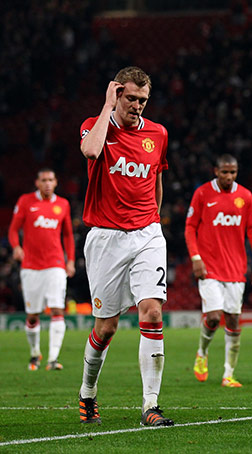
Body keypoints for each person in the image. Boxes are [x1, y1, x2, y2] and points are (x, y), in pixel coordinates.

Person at [78, 66, 173, 426]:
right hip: (106, 237)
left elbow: (156, 179)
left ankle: (150, 405)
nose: (137, 106)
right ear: (117, 94)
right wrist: (106, 107)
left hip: (147, 232)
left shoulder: (158, 133)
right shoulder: (94, 124)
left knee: (151, 311)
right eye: (131, 98)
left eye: (143, 100)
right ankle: (87, 391)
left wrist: (154, 220)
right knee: (106, 327)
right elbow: (89, 151)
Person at [185, 154, 252, 388]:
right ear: (215, 171)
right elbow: (190, 227)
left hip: (236, 269)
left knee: (233, 318)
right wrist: (196, 258)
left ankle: (228, 374)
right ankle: (202, 352)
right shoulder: (202, 193)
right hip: (209, 267)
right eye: (225, 172)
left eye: (233, 172)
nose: (229, 177)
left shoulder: (245, 196)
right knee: (213, 316)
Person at [8, 169, 75, 371]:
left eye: (51, 180)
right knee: (32, 315)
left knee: (57, 309)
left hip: (55, 264)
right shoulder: (26, 201)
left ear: (56, 183)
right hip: (31, 266)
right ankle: (35, 354)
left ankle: (53, 359)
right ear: (37, 182)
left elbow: (68, 236)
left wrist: (70, 261)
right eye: (44, 180)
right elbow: (13, 229)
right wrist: (16, 247)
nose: (47, 183)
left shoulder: (63, 204)